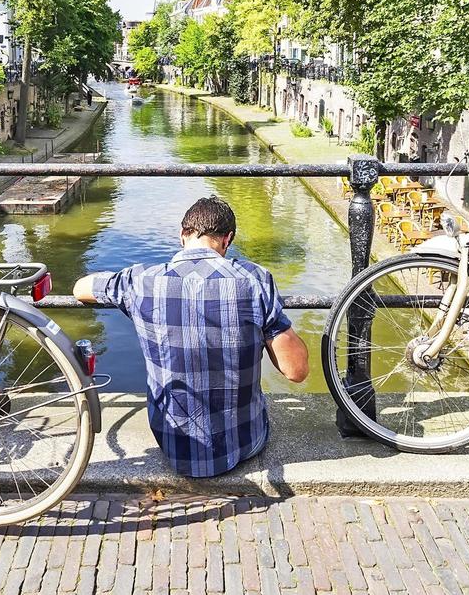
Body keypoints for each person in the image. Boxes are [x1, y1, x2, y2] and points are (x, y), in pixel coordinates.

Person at [74, 196, 308, 477]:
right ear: (227, 239)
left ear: (182, 235)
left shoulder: (142, 281)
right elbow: (296, 371)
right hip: (244, 444)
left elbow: (81, 288)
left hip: (174, 446)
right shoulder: (254, 279)